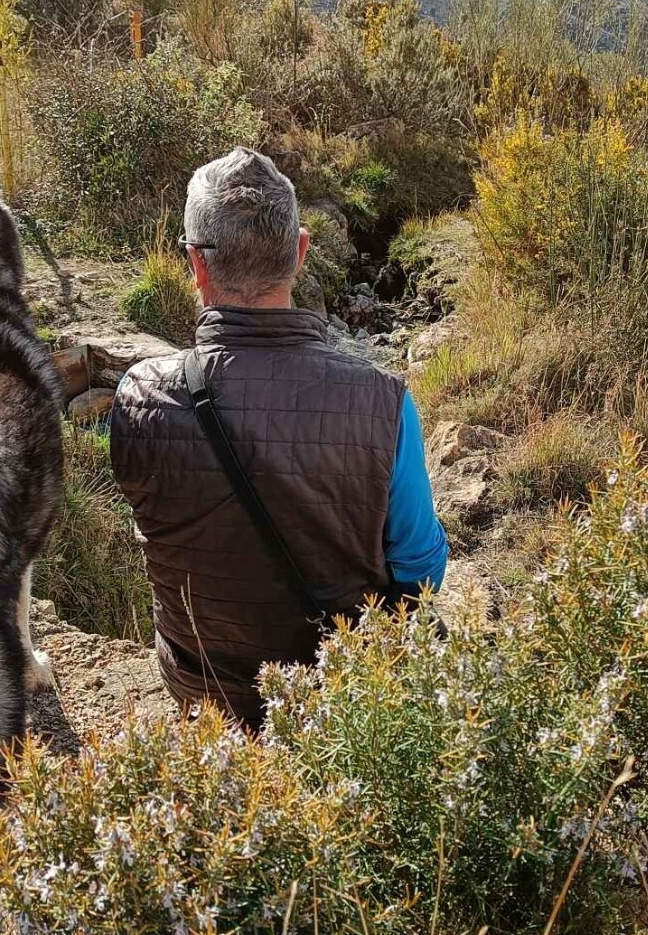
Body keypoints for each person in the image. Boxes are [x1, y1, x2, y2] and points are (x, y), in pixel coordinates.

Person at [110, 147, 447, 730]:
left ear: (196, 265)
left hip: (202, 685)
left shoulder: (139, 395)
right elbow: (421, 573)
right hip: (338, 697)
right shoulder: (385, 403)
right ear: (301, 251)